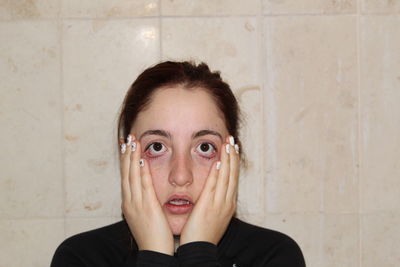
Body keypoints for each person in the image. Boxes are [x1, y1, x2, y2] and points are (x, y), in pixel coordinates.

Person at [51, 61, 306, 267]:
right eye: (157, 147)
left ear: (233, 157)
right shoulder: (81, 258)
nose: (181, 176)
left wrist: (198, 253)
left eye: (205, 147)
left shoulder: (274, 256)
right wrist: (154, 255)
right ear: (125, 155)